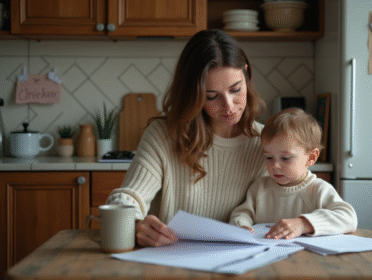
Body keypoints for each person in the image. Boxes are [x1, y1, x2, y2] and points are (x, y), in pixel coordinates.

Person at [106, 29, 267, 247]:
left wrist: (303, 222)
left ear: (246, 74)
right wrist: (134, 224)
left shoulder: (266, 142)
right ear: (194, 94)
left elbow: (307, 194)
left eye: (236, 90)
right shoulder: (163, 135)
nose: (229, 106)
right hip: (169, 262)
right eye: (212, 96)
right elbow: (126, 199)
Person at [229, 108, 357, 239]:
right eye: (269, 157)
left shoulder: (319, 190)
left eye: (285, 158)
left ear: (311, 157)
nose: (275, 165)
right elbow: (241, 214)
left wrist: (303, 224)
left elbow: (349, 218)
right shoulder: (259, 187)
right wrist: (241, 225)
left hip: (306, 257)